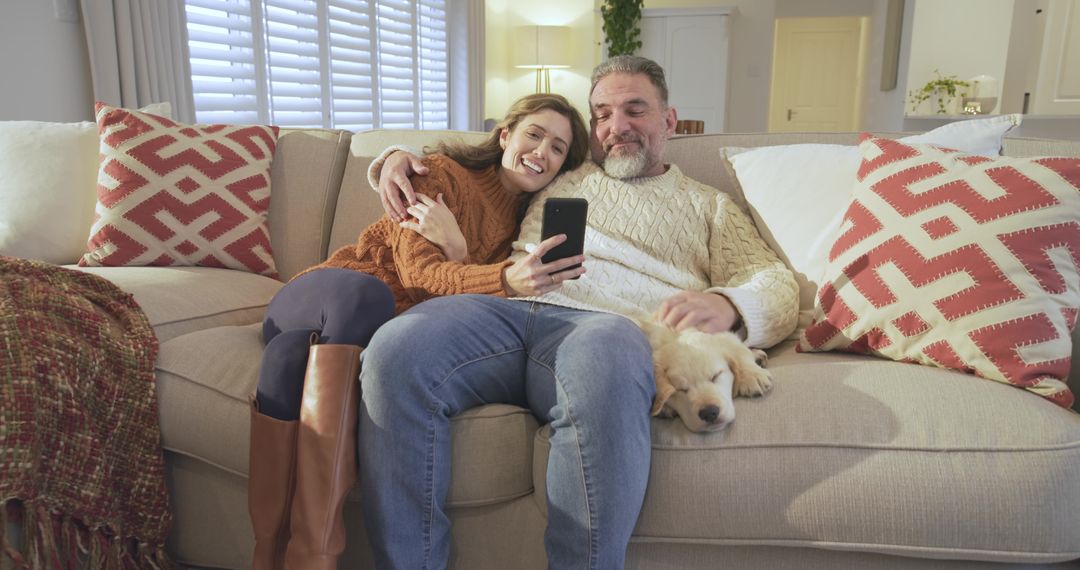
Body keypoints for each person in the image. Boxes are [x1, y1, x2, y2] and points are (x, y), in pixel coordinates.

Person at [359, 56, 799, 568]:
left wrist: (726, 303)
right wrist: (393, 157)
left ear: (670, 120)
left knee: (610, 353)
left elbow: (776, 282)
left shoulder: (709, 206)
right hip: (503, 308)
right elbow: (483, 161)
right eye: (603, 114)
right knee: (396, 349)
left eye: (635, 109)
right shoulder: (560, 172)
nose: (617, 127)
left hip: (603, 329)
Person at [247, 93, 590, 570]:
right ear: (506, 134)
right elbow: (416, 275)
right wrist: (501, 277)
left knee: (287, 360)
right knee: (369, 298)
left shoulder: (524, 226)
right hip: (326, 299)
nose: (542, 152)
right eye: (534, 134)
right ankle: (316, 557)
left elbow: (459, 308)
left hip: (342, 337)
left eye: (557, 148)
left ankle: (283, 554)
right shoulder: (441, 174)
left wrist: (458, 249)